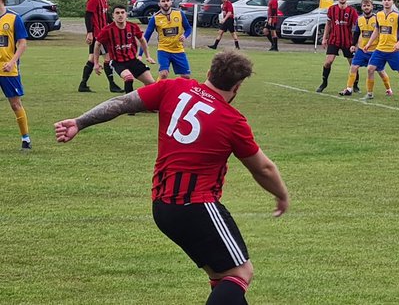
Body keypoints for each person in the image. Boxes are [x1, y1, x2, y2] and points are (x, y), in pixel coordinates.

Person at [54, 51, 290, 305]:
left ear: (209, 74)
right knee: (241, 272)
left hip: (163, 208)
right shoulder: (232, 120)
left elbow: (122, 104)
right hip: (196, 205)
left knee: (220, 275)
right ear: (237, 86)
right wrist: (282, 195)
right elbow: (263, 168)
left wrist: (79, 122)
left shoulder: (173, 87)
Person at [92, 5, 155, 100]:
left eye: (122, 12)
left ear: (126, 14)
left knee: (151, 83)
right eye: (117, 13)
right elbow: (97, 44)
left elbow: (142, 40)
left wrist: (148, 56)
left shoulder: (133, 27)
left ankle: (145, 104)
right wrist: (96, 63)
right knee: (129, 78)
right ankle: (129, 105)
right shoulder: (108, 30)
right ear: (113, 16)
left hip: (133, 60)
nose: (120, 15)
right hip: (118, 62)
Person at [364, 0, 399, 100]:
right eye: (384, 0)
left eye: (389, 0)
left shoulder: (398, 16)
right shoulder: (378, 15)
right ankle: (369, 94)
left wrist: (398, 43)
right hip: (380, 49)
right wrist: (369, 43)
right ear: (382, 1)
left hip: (393, 50)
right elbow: (376, 30)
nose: (386, 2)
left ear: (392, 2)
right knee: (370, 69)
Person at [339, 0, 390, 97]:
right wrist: (353, 45)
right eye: (364, 6)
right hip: (362, 50)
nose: (366, 7)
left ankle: (388, 89)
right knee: (353, 67)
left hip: (375, 51)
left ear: (372, 7)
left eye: (368, 5)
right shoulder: (359, 19)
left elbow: (383, 33)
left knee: (380, 71)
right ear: (361, 7)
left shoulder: (377, 18)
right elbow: (357, 33)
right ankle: (349, 89)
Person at [0, 0, 31, 151]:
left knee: (15, 104)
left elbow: (22, 43)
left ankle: (25, 138)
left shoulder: (13, 18)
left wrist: (12, 61)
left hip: (7, 69)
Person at [79, 0, 122, 93]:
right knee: (108, 58)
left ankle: (83, 84)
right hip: (98, 35)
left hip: (103, 33)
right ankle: (112, 85)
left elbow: (106, 15)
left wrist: (115, 25)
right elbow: (88, 16)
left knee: (92, 58)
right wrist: (89, 32)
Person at [317, 0, 358, 93]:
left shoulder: (352, 11)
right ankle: (324, 82)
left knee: (353, 64)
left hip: (347, 41)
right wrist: (325, 38)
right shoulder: (332, 9)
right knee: (328, 62)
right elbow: (328, 24)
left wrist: (355, 42)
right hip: (334, 40)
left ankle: (355, 84)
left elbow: (357, 27)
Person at [144, 0, 193, 81]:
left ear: (171, 2)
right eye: (163, 1)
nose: (165, 3)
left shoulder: (179, 14)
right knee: (163, 74)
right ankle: (157, 91)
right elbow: (146, 36)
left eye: (167, 1)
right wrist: (141, 54)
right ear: (159, 4)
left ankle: (180, 93)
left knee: (186, 76)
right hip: (163, 49)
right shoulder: (155, 18)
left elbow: (188, 28)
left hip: (178, 49)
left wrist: (185, 36)